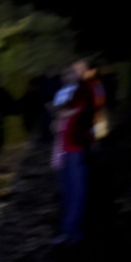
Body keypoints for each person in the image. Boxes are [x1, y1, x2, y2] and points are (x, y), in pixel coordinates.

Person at [50, 59, 97, 246]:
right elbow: (58, 118)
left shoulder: (85, 89)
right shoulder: (70, 92)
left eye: (77, 70)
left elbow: (69, 111)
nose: (73, 74)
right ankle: (71, 229)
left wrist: (60, 113)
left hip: (76, 146)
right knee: (67, 190)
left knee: (76, 190)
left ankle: (71, 230)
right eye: (70, 72)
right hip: (64, 146)